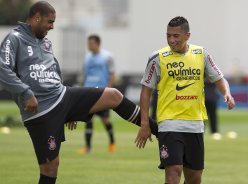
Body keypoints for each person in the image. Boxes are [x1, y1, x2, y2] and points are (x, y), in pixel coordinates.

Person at [0, 1, 158, 184]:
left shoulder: (45, 42)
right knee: (50, 167)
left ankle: (162, 133)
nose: (52, 26)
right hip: (41, 111)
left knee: (113, 95)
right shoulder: (14, 38)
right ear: (36, 17)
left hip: (62, 96)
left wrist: (70, 110)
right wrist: (26, 93)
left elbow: (53, 69)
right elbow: (3, 69)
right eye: (49, 22)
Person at [135, 16, 235, 184]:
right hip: (169, 124)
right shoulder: (157, 58)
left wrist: (227, 93)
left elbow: (219, 78)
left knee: (195, 178)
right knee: (173, 173)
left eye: (176, 36)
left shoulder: (201, 54)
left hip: (195, 125)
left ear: (187, 36)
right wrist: (145, 123)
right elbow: (146, 91)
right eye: (168, 35)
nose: (171, 40)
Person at [78, 34, 116, 154]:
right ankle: (87, 147)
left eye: (91, 43)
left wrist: (109, 90)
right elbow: (84, 74)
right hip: (89, 92)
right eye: (88, 43)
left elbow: (112, 74)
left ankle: (112, 142)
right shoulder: (87, 57)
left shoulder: (107, 56)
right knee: (88, 119)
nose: (89, 46)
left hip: (102, 93)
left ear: (97, 43)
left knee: (105, 120)